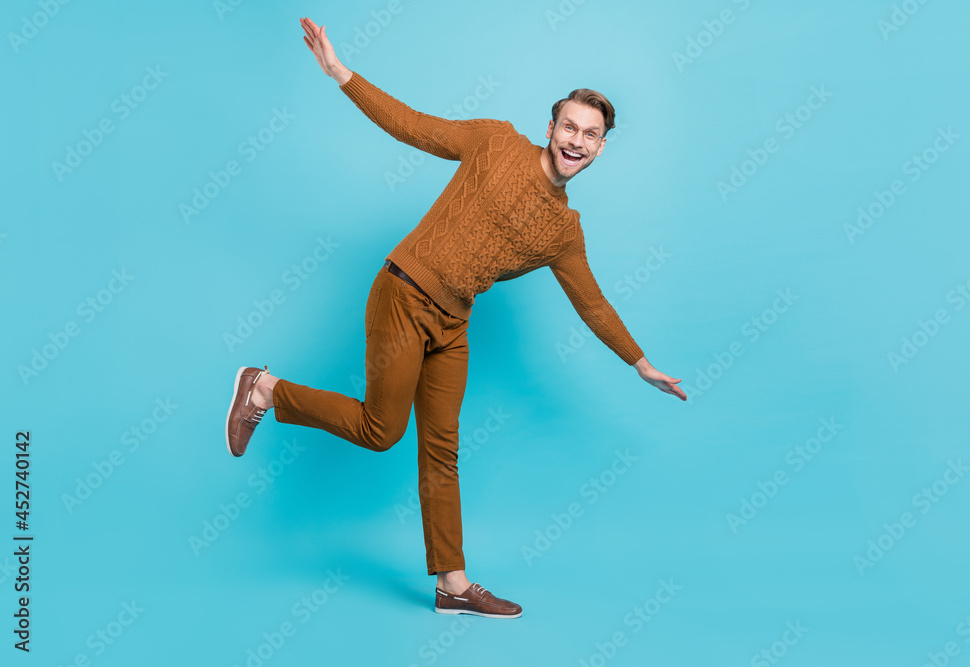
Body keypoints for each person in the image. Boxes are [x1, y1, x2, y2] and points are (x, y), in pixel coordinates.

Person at [225, 16, 687, 620]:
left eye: (591, 134)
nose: (576, 140)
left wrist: (641, 364)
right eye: (569, 126)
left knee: (441, 449)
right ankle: (264, 387)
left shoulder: (564, 232)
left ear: (601, 147)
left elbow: (592, 302)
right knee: (381, 430)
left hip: (453, 325)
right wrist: (342, 74)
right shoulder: (493, 142)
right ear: (549, 128)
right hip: (404, 293)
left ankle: (453, 586)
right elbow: (412, 126)